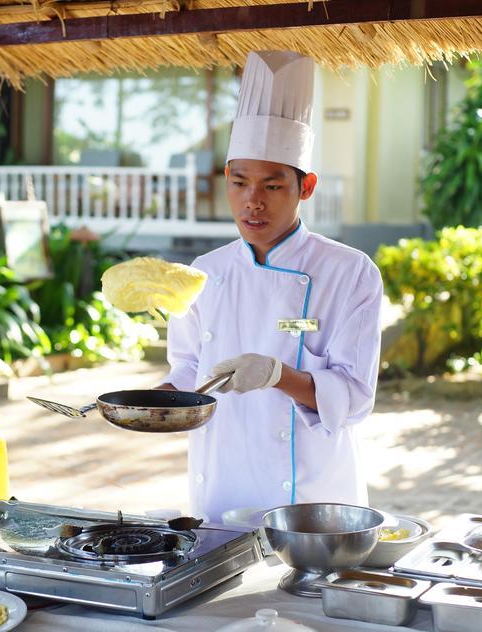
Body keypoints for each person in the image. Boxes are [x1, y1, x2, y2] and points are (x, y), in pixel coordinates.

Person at [158, 51, 384, 523]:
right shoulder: (204, 272)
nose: (252, 202)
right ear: (226, 181)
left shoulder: (350, 272)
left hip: (310, 497)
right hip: (220, 481)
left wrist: (278, 374)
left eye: (273, 186)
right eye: (240, 183)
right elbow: (188, 370)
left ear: (307, 187)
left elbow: (356, 397)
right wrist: (153, 402)